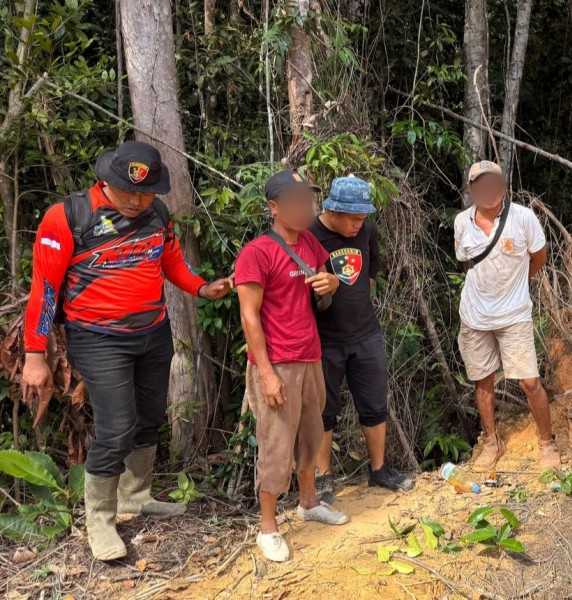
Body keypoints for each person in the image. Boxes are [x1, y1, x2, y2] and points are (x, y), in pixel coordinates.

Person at [20, 140, 234, 561]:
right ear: (105, 181)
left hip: (153, 330)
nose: (137, 200)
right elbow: (44, 289)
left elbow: (169, 260)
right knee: (117, 425)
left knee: (149, 416)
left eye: (146, 191)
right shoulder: (68, 217)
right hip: (97, 337)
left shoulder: (156, 214)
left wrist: (201, 287)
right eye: (127, 191)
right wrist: (33, 355)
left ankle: (135, 496)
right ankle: (100, 519)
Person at [236, 169, 349, 564]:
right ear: (273, 206)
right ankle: (267, 527)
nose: (305, 208)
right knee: (276, 444)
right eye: (295, 201)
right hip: (278, 363)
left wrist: (332, 282)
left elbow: (326, 276)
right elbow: (249, 317)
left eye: (308, 200)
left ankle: (308, 502)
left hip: (310, 356)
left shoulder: (310, 242)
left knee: (312, 433)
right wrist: (266, 373)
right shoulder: (257, 252)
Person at [310, 176, 413, 503]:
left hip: (366, 333)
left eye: (363, 217)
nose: (360, 224)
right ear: (333, 209)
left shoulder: (366, 230)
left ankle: (379, 470)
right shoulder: (309, 236)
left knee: (374, 404)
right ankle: (323, 478)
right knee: (324, 410)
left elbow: (369, 272)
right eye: (354, 218)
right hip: (324, 339)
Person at [453, 160, 561, 472]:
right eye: (481, 185)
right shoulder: (462, 223)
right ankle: (491, 442)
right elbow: (467, 262)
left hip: (514, 315)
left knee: (529, 381)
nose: (489, 191)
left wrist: (515, 286)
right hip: (474, 317)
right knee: (482, 382)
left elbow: (538, 258)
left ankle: (547, 441)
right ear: (472, 190)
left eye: (495, 183)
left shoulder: (523, 219)